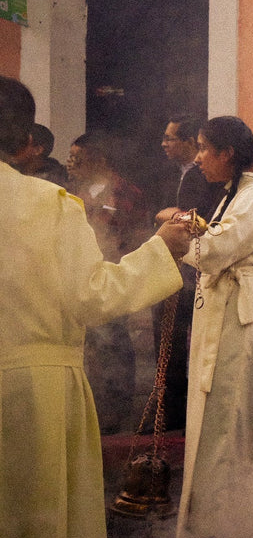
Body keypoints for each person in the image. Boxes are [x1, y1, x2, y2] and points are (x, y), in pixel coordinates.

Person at [0, 74, 191, 538]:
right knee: (34, 536)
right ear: (24, 143)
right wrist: (162, 249)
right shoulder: (46, 203)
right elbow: (91, 297)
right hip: (34, 394)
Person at [175, 116, 253, 538]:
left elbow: (219, 247)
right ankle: (210, 516)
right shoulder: (233, 192)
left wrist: (179, 238)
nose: (199, 157)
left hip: (239, 311)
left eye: (206, 148)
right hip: (224, 306)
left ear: (228, 153)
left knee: (229, 412)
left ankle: (226, 526)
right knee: (215, 408)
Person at [67, 129, 154, 433]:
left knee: (113, 342)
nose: (70, 163)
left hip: (113, 275)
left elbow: (138, 237)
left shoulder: (125, 192)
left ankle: (115, 410)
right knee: (89, 344)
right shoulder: (71, 193)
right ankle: (91, 406)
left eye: (77, 158)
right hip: (79, 277)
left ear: (98, 158)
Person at [153, 114, 226, 431]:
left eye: (171, 139)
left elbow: (203, 218)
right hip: (171, 267)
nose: (164, 144)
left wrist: (176, 215)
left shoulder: (209, 175)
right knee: (166, 340)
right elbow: (159, 211)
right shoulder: (167, 174)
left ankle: (198, 409)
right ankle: (169, 409)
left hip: (199, 267)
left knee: (201, 343)